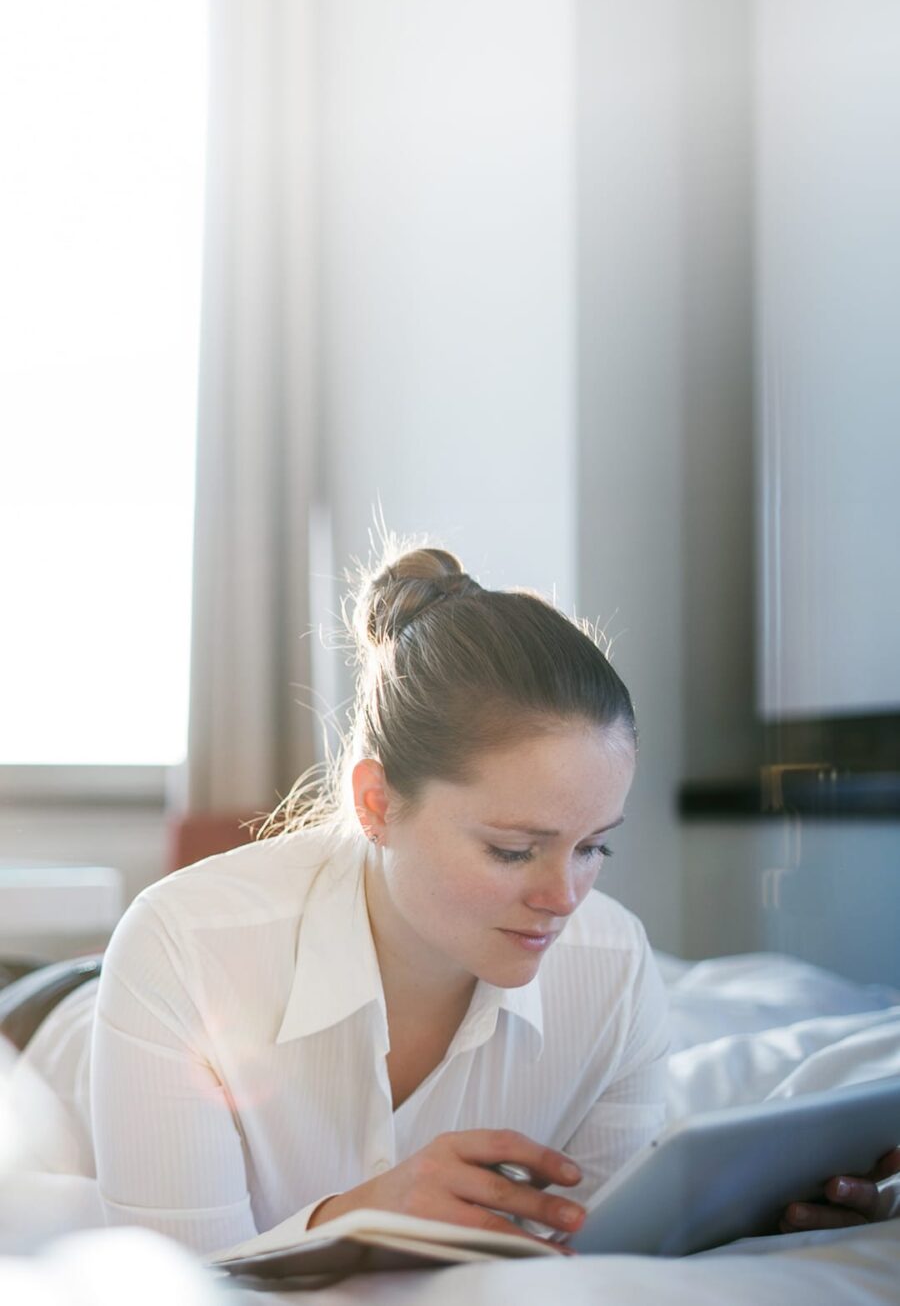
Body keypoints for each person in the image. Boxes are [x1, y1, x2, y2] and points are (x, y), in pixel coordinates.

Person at [89, 538, 899, 1256]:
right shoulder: (180, 948)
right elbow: (167, 1278)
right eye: (514, 849)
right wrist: (360, 1214)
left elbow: (597, 1249)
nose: (564, 896)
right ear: (374, 803)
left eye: (594, 846)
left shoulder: (613, 969)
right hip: (61, 1012)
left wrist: (740, 1219)